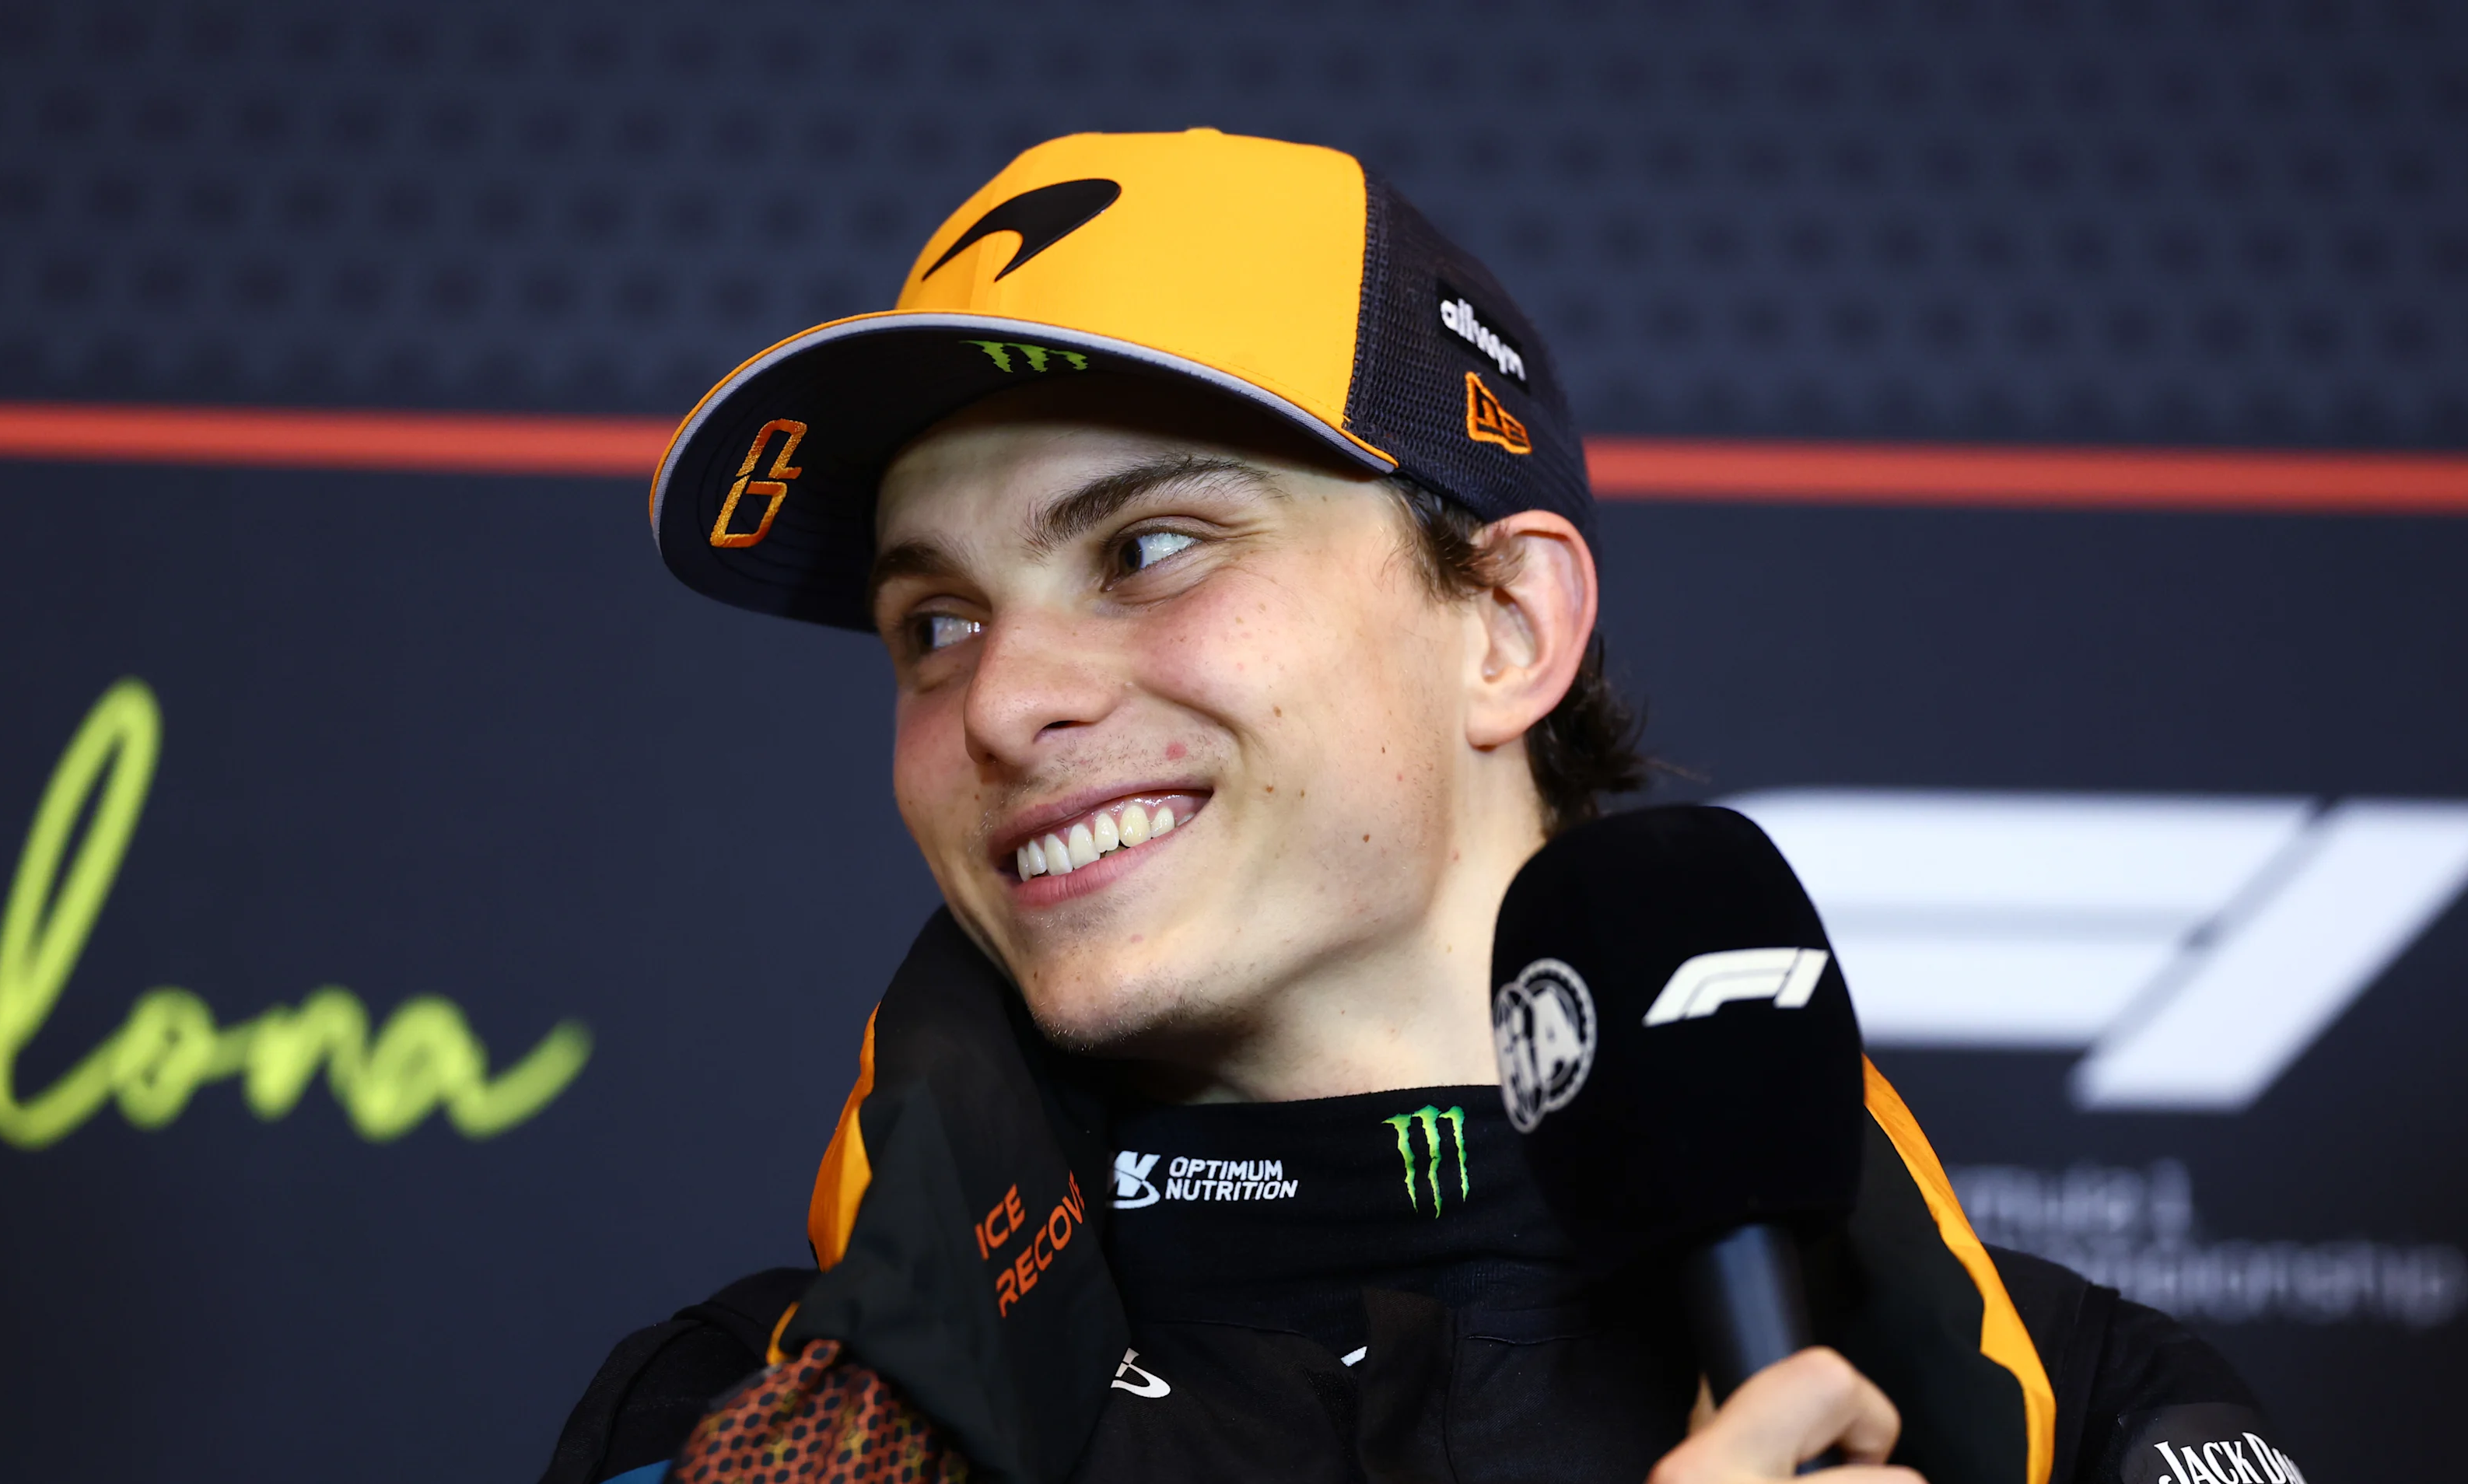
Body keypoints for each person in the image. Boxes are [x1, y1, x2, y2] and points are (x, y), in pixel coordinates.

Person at [544, 130, 2298, 1484]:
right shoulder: (737, 1422)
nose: (1001, 701)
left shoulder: (2081, 1412)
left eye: (1150, 546)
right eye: (934, 622)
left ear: (1508, 627)